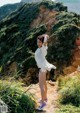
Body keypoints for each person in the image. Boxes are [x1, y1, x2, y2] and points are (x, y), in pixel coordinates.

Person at [34, 34, 56, 110]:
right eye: (37, 42)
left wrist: (45, 37)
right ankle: (45, 98)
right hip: (43, 68)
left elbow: (45, 42)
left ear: (42, 43)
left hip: (42, 69)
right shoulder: (40, 48)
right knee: (44, 83)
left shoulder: (43, 49)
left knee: (41, 86)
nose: (38, 43)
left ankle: (43, 103)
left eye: (40, 42)